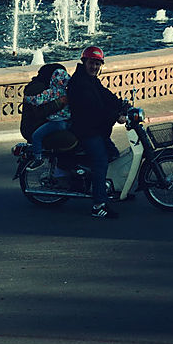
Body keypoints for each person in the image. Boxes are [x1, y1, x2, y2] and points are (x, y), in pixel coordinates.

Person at [67, 46, 128, 219]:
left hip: (94, 127)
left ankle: (112, 189)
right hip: (85, 129)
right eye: (92, 63)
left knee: (114, 154)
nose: (94, 67)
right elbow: (94, 109)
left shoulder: (91, 80)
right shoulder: (80, 83)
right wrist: (116, 115)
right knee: (101, 160)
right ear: (85, 62)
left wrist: (122, 105)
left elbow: (105, 95)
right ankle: (98, 205)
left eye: (97, 64)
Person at [23, 66, 72, 171]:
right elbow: (40, 112)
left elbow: (37, 100)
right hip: (36, 126)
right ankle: (39, 159)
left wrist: (27, 99)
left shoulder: (50, 90)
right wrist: (59, 102)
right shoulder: (39, 88)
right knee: (38, 136)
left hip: (55, 123)